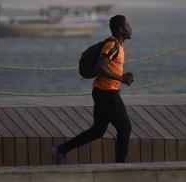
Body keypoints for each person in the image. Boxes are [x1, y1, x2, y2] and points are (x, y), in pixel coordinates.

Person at [52, 14, 134, 164]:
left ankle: (61, 150)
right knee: (125, 128)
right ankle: (120, 167)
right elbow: (100, 67)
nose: (130, 28)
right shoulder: (113, 46)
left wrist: (120, 77)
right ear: (121, 29)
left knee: (98, 130)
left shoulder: (118, 46)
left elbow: (108, 67)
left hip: (102, 92)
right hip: (107, 93)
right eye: (128, 26)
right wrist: (121, 78)